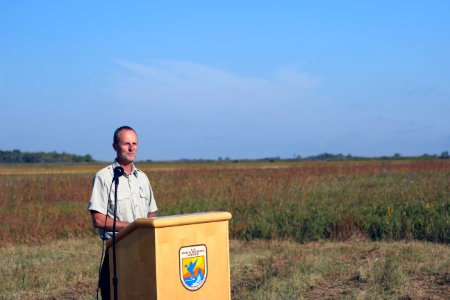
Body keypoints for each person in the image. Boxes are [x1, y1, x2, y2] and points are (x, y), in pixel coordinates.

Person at [87, 125, 158, 299]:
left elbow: (152, 215)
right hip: (118, 253)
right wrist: (132, 227)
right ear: (115, 147)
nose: (132, 148)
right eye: (127, 143)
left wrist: (143, 231)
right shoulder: (104, 177)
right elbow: (98, 219)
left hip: (143, 253)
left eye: (135, 143)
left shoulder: (142, 177)